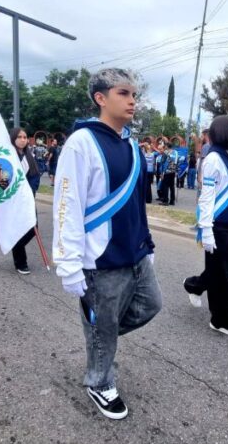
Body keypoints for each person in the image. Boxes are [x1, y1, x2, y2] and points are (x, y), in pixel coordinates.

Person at [52, 68, 161, 421]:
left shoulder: (130, 143)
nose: (133, 101)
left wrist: (148, 242)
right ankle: (99, 381)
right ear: (101, 98)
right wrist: (68, 264)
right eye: (124, 93)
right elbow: (67, 206)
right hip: (101, 259)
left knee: (150, 306)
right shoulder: (80, 143)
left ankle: (101, 335)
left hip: (136, 252)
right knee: (104, 325)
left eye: (134, 94)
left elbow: (136, 203)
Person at [183, 115, 228, 336]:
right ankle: (222, 321)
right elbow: (206, 198)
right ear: (223, 130)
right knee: (222, 276)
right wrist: (206, 230)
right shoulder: (212, 159)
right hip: (216, 225)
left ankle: (195, 285)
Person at [9, 127, 42, 275]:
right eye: (19, 137)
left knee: (33, 228)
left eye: (25, 137)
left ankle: (16, 245)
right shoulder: (8, 156)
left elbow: (35, 177)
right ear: (13, 139)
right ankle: (20, 262)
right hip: (14, 200)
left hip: (28, 198)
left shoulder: (29, 156)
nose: (23, 140)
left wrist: (30, 191)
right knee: (18, 229)